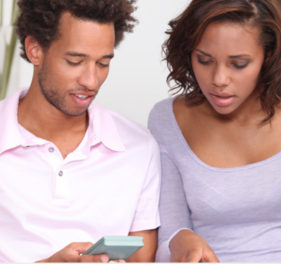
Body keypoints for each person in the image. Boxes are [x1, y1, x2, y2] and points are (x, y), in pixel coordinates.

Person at [148, 0, 281, 262]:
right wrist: (179, 239)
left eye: (239, 64)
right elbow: (170, 232)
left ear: (268, 55)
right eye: (204, 60)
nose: (219, 79)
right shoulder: (167, 120)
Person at [0, 0, 161, 262]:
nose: (91, 81)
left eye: (103, 63)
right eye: (75, 61)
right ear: (35, 50)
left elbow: (142, 257)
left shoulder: (138, 148)